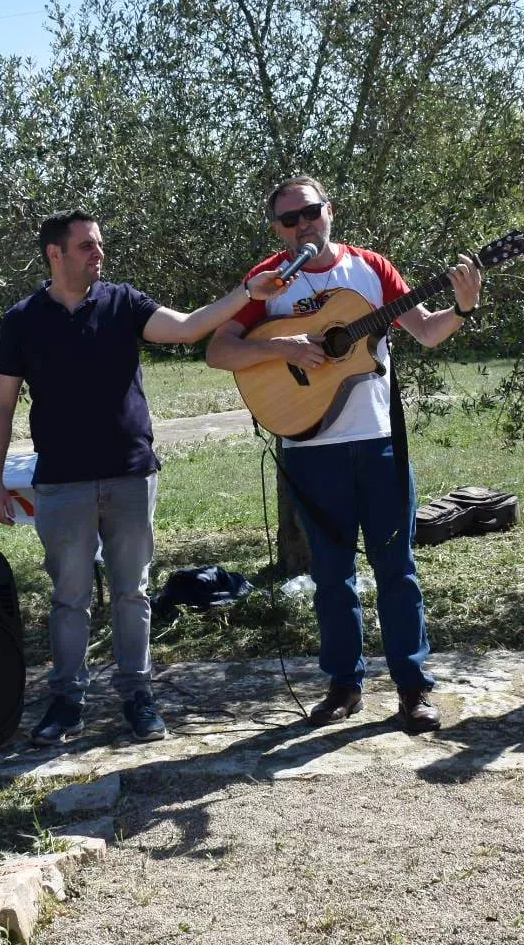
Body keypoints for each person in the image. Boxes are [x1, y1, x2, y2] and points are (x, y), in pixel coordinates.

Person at [0, 210, 287, 746]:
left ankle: (137, 695)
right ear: (55, 254)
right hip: (62, 481)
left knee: (133, 593)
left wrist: (247, 291)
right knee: (69, 597)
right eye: (86, 247)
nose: (98, 253)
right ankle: (66, 701)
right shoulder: (22, 320)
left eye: (99, 245)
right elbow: (2, 406)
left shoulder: (124, 302)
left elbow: (190, 327)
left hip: (130, 475)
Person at [205, 176, 483, 734]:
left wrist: (465, 307)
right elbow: (218, 350)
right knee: (332, 574)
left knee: (396, 568)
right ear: (277, 228)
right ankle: (344, 686)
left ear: (329, 212)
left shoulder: (371, 269)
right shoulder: (267, 282)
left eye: (310, 212)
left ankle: (412, 687)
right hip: (309, 446)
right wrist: (279, 346)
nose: (302, 225)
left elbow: (425, 332)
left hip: (377, 441)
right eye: (289, 219)